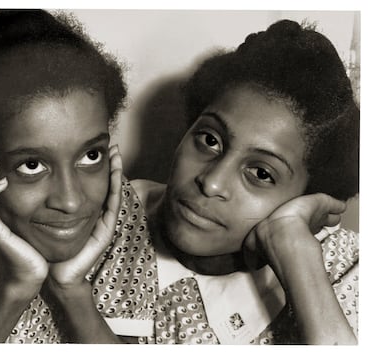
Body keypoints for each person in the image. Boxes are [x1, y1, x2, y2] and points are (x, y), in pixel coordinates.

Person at [88, 19, 359, 344]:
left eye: (261, 173)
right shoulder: (100, 219)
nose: (211, 182)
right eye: (210, 140)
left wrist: (293, 247)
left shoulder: (347, 267)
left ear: (309, 196)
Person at [0, 9, 128, 343]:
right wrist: (15, 288)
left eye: (90, 155)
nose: (70, 201)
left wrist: (73, 290)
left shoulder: (121, 218)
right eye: (32, 165)